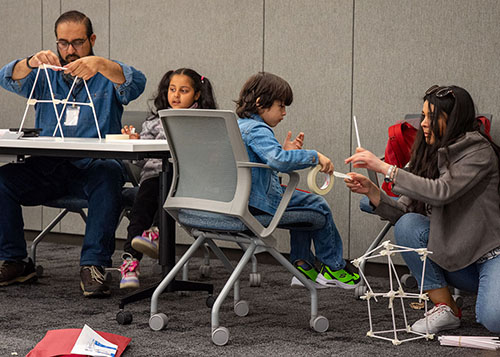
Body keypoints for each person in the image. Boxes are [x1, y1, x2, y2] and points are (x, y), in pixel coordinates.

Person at [0, 10, 146, 297]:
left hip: (92, 169)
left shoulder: (106, 75)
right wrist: (30, 62)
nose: (69, 50)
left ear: (91, 40)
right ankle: (16, 261)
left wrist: (101, 64)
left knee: (108, 172)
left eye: (78, 43)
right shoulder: (44, 76)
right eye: (63, 43)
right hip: (48, 168)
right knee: (3, 180)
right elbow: (5, 77)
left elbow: (136, 82)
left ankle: (93, 266)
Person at [345, 85, 500, 334]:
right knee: (409, 225)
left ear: (453, 120)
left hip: (491, 256)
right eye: (423, 116)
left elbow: (442, 191)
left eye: (431, 117)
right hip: (455, 258)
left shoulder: (477, 151)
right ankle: (445, 308)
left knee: (493, 320)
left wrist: (386, 168)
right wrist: (373, 193)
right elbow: (402, 212)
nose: (423, 124)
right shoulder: (431, 152)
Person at [235, 72, 360, 289]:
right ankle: (333, 267)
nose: (284, 113)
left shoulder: (239, 125)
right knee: (318, 205)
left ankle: (302, 265)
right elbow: (277, 160)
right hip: (258, 202)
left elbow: (262, 160)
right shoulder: (257, 129)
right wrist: (314, 156)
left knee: (298, 202)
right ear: (259, 103)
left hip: (239, 200)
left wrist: (284, 151)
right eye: (280, 106)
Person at [119, 68, 217, 289]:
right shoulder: (154, 121)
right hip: (153, 178)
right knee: (141, 205)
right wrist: (136, 142)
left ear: (197, 95)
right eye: (172, 89)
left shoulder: (203, 121)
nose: (176, 95)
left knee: (170, 175)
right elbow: (141, 162)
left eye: (184, 90)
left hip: (189, 181)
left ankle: (156, 232)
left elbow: (209, 157)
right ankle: (130, 261)